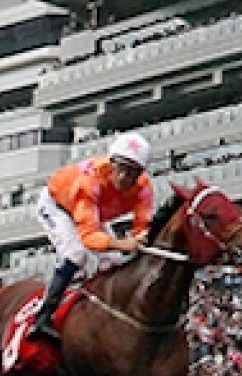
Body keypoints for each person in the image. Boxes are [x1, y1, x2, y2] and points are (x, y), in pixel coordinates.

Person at [30, 132, 154, 340]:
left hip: (93, 212)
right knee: (76, 255)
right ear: (112, 163)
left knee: (114, 262)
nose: (124, 177)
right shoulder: (91, 181)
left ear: (140, 174)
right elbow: (88, 238)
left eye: (132, 172)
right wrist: (125, 244)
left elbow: (141, 228)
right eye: (121, 169)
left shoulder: (144, 188)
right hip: (59, 206)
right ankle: (43, 317)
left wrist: (139, 240)